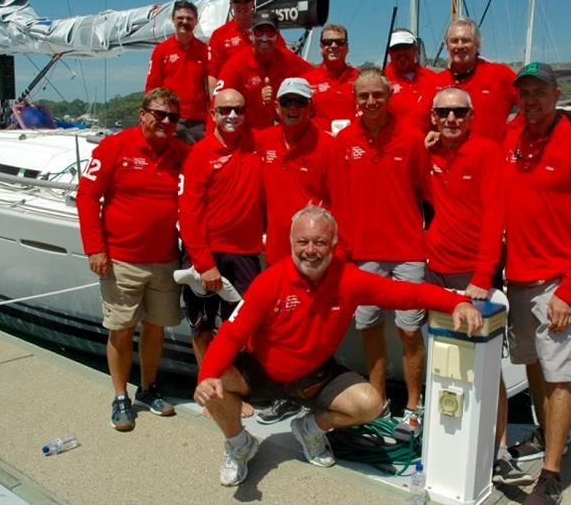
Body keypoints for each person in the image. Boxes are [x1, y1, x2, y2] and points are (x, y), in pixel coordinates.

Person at [193, 204, 483, 487]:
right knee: (214, 380)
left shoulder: (349, 280)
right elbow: (230, 334)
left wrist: (456, 302)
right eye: (302, 241)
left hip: (314, 375)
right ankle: (239, 445)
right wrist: (206, 377)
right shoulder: (269, 282)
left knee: (370, 404)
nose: (310, 250)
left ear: (333, 243)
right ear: (290, 242)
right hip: (262, 371)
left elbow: (405, 294)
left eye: (320, 242)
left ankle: (310, 429)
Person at [502, 62, 571, 505]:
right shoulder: (511, 139)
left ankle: (550, 474)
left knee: (559, 377)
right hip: (518, 280)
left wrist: (569, 292)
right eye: (523, 93)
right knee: (532, 365)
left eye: (538, 92)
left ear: (556, 94)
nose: (530, 101)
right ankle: (546, 434)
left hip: (557, 285)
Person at [424, 86, 532, 487]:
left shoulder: (487, 152)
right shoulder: (429, 153)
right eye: (444, 113)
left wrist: (483, 277)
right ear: (434, 118)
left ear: (471, 117)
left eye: (458, 113)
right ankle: (443, 439)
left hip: (471, 278)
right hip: (434, 271)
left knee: (489, 368)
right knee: (445, 361)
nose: (451, 119)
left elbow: (494, 219)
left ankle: (500, 448)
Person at [77, 88, 188, 431]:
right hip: (121, 260)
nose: (165, 122)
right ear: (142, 113)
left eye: (172, 117)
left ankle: (148, 388)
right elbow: (86, 196)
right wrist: (95, 248)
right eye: (158, 114)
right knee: (122, 330)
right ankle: (120, 396)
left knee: (155, 329)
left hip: (165, 260)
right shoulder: (115, 147)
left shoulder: (182, 152)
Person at [333, 67, 430, 436]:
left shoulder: (411, 139)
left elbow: (426, 194)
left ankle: (413, 405)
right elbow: (339, 201)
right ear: (354, 99)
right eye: (363, 96)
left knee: (409, 332)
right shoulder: (344, 143)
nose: (370, 102)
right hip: (364, 255)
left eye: (377, 94)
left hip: (408, 252)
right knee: (369, 326)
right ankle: (377, 399)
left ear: (389, 95)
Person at [253, 77, 337, 424]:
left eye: (299, 103)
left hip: (314, 256)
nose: (292, 109)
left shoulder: (327, 147)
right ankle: (283, 392)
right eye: (286, 102)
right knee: (279, 326)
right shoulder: (263, 141)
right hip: (275, 253)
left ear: (310, 108)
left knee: (311, 328)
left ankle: (310, 393)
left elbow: (339, 202)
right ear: (276, 107)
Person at [178, 88, 263, 418]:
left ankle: (229, 388)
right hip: (207, 254)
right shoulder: (199, 154)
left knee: (239, 328)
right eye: (224, 110)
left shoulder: (256, 145)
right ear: (212, 114)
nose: (232, 116)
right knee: (201, 326)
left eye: (238, 110)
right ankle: (209, 389)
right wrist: (204, 262)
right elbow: (189, 213)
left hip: (244, 253)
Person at [215, 10, 312, 130]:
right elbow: (216, 105)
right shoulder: (235, 65)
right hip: (241, 133)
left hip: (271, 134)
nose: (265, 38)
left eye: (270, 33)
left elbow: (316, 76)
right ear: (250, 35)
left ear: (277, 36)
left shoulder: (286, 58)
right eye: (259, 32)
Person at [436, 18, 517, 143]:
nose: (460, 45)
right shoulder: (438, 80)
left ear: (477, 44)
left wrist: (513, 133)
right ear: (446, 45)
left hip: (492, 158)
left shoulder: (500, 74)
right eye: (454, 41)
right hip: (451, 159)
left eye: (466, 40)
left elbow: (531, 104)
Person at [145, 0, 209, 144]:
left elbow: (211, 86)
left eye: (189, 18)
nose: (184, 22)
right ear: (173, 20)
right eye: (180, 18)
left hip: (198, 121)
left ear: (196, 22)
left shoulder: (205, 50)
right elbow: (152, 86)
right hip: (169, 117)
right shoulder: (161, 50)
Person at [208, 0, 287, 94]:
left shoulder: (270, 30)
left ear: (253, 3)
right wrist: (215, 106)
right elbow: (212, 76)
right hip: (234, 102)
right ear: (231, 5)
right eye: (237, 1)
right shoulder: (219, 35)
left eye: (246, 1)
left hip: (265, 97)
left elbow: (285, 60)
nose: (242, 5)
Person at [302, 23, 359, 134]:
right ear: (320, 47)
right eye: (327, 42)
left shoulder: (361, 78)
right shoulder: (306, 81)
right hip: (319, 145)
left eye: (339, 42)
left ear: (347, 47)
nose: (333, 46)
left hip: (354, 144)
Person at [384, 28, 440, 133]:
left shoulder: (434, 78)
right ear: (389, 52)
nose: (401, 52)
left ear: (415, 48)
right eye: (395, 48)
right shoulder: (380, 81)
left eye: (406, 47)